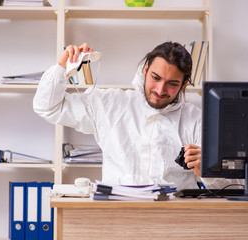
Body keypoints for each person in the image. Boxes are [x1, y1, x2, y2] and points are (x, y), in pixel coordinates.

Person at [33, 42, 237, 190]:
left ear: (184, 85)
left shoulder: (198, 120)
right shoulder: (108, 104)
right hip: (117, 217)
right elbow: (47, 107)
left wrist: (208, 170)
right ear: (145, 70)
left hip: (175, 219)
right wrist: (61, 68)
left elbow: (234, 186)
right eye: (155, 78)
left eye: (172, 84)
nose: (160, 89)